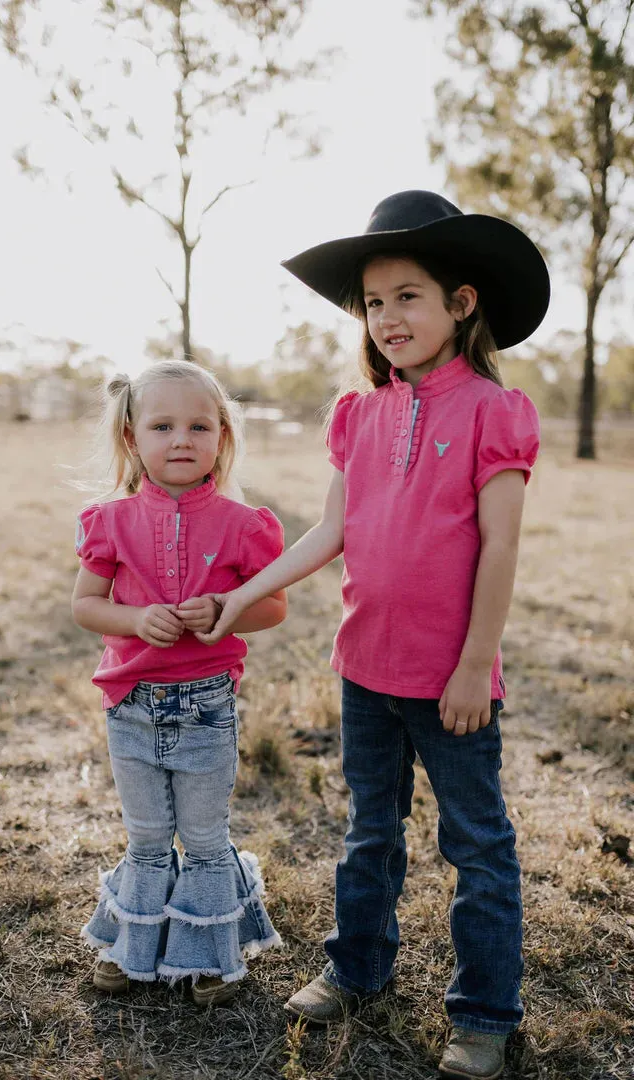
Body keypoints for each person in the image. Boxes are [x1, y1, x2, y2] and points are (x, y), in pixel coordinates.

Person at [198, 191, 550, 1078]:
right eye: (374, 301)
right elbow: (331, 534)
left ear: (460, 303)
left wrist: (476, 664)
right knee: (368, 832)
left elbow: (500, 545)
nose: (387, 317)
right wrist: (242, 596)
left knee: (477, 847)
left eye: (408, 296)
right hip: (366, 670)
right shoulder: (359, 414)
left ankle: (482, 1015)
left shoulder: (493, 412)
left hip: (451, 682)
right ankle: (355, 969)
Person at [72, 359, 287, 1005]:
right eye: (162, 426)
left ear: (221, 436)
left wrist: (226, 611)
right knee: (144, 839)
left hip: (205, 708)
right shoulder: (109, 521)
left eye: (199, 425)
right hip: (130, 706)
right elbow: (86, 604)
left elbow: (272, 607)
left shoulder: (244, 524)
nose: (182, 440)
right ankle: (132, 944)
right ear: (132, 438)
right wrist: (135, 617)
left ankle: (211, 955)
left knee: (202, 840)